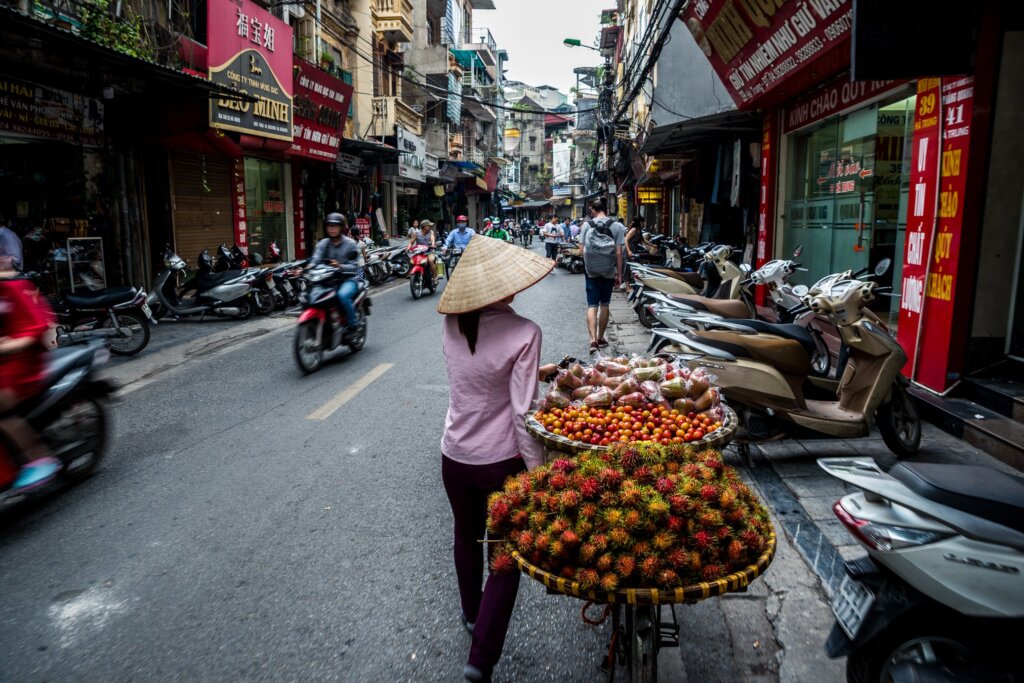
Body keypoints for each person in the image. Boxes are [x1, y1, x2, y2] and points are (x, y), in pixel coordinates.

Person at [436, 236, 558, 682]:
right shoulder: (525, 333)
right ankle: (481, 657)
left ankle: (473, 617)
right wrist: (540, 472)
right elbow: (523, 413)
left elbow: (476, 377)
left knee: (465, 537)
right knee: (506, 553)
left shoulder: (452, 324)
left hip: (455, 456)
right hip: (500, 461)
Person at [0, 265, 60, 492]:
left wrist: (8, 346)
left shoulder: (13, 286)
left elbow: (37, 327)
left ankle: (37, 456)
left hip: (21, 361)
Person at [580, 198, 625, 352]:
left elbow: (581, 250)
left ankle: (592, 341)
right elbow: (619, 253)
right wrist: (619, 275)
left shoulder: (587, 225)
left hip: (591, 271)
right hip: (608, 271)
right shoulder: (617, 226)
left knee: (592, 305)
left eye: (591, 210)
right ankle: (600, 337)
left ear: (594, 210)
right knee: (604, 304)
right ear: (606, 209)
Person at [311, 213, 361, 329]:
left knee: (342, 296)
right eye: (329, 226)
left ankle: (353, 324)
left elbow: (355, 266)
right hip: (327, 280)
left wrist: (340, 266)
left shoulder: (351, 244)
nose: (332, 229)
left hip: (348, 279)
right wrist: (305, 269)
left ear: (341, 228)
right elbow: (315, 259)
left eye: (335, 226)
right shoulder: (323, 244)